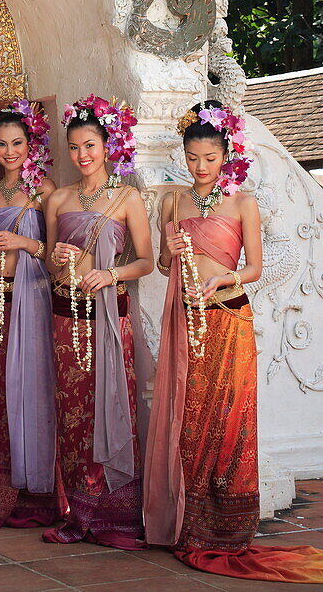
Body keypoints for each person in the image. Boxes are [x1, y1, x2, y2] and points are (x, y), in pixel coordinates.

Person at [144, 100, 323, 582]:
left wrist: (225, 279)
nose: (200, 167)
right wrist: (173, 248)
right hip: (185, 318)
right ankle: (189, 521)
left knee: (228, 418)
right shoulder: (172, 201)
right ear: (184, 155)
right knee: (189, 417)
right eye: (193, 158)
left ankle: (226, 528)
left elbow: (255, 269)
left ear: (226, 156)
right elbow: (164, 267)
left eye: (209, 158)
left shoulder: (243, 202)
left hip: (230, 317)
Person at [43, 96, 153, 548]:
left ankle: (118, 516)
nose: (81, 155)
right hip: (65, 319)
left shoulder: (128, 199)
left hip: (110, 319)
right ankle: (79, 513)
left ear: (108, 145)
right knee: (72, 412)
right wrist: (56, 258)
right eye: (73, 147)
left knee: (111, 404)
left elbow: (146, 262)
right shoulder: (58, 199)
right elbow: (50, 265)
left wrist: (111, 273)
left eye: (89, 145)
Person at [0, 101, 59, 526]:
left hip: (35, 301)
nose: (9, 151)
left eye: (17, 143)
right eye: (1, 144)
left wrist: (24, 244)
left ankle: (37, 495)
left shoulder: (44, 192)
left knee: (32, 383)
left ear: (30, 144)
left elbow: (55, 257)